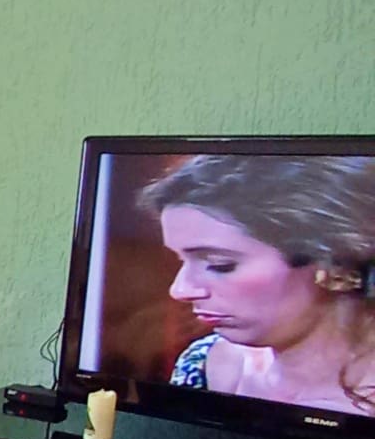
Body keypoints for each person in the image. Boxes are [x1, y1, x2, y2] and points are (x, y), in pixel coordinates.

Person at [144, 154, 375, 416]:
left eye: (220, 264)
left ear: (336, 263)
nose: (180, 290)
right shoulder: (203, 363)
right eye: (181, 260)